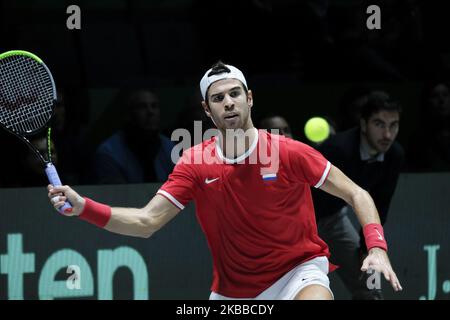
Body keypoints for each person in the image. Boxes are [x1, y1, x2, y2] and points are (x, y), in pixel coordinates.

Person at [47, 62, 402, 300]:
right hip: (235, 292)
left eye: (235, 94)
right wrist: (83, 208)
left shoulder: (289, 152)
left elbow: (357, 193)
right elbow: (146, 222)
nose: (228, 103)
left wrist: (376, 247)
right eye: (218, 98)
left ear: (249, 99)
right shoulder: (196, 163)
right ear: (207, 110)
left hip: (299, 273)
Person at [312, 91, 404, 299]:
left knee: (371, 283)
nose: (387, 135)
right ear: (363, 125)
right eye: (379, 124)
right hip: (301, 222)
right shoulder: (337, 149)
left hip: (335, 221)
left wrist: (367, 247)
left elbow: (380, 204)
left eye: (393, 125)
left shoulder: (394, 155)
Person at [92, 89, 175, 184]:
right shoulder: (108, 152)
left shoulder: (169, 147)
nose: (150, 112)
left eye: (154, 106)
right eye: (142, 107)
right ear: (129, 114)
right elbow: (115, 193)